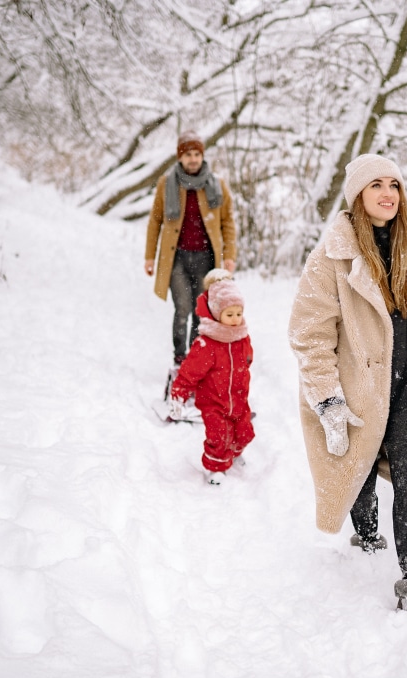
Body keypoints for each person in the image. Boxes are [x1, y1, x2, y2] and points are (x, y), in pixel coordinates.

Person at [288, 154, 407, 623]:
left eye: (395, 184)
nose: (388, 193)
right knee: (361, 475)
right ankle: (366, 533)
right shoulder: (331, 257)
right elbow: (309, 333)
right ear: (358, 195)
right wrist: (328, 399)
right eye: (376, 185)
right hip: (359, 390)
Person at [145, 130, 237, 376]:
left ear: (202, 155)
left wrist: (229, 256)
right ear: (180, 158)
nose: (193, 159)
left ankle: (196, 360)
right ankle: (179, 358)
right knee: (182, 308)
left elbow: (227, 221)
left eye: (197, 154)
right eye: (188, 155)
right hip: (177, 259)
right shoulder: (167, 184)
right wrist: (149, 257)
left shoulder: (217, 184)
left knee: (202, 313)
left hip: (207, 259)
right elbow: (155, 221)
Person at [169, 275, 254, 486]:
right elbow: (189, 373)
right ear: (217, 314)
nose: (235, 319)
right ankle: (215, 468)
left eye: (239, 313)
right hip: (213, 402)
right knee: (219, 435)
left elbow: (247, 358)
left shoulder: (241, 337)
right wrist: (178, 394)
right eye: (229, 314)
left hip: (238, 399)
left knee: (244, 432)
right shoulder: (207, 344)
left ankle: (232, 453)